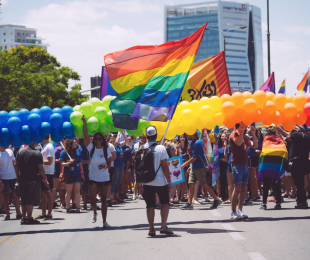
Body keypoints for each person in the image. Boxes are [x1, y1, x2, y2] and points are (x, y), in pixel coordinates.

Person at [141, 126, 173, 236]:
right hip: (160, 182)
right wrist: (169, 181)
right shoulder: (161, 148)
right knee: (165, 202)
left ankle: (151, 228)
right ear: (156, 135)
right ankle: (163, 226)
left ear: (146, 135)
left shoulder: (141, 148)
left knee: (149, 205)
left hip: (147, 181)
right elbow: (165, 167)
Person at [82, 115, 112, 227]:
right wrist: (84, 122)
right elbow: (85, 135)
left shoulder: (106, 149)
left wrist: (104, 167)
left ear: (102, 140)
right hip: (93, 177)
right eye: (96, 138)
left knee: (104, 200)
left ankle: (104, 221)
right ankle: (94, 212)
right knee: (93, 199)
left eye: (100, 139)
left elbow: (109, 163)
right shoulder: (91, 147)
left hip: (104, 177)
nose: (98, 140)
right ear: (94, 140)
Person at [180, 131, 222, 210]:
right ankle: (189, 203)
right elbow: (192, 156)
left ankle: (217, 199)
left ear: (193, 133)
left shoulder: (197, 143)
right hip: (194, 167)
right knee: (190, 183)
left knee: (203, 184)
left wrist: (185, 164)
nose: (186, 135)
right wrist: (191, 166)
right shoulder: (192, 143)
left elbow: (194, 157)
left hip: (199, 167)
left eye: (187, 133)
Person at [15, 142, 49, 224]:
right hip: (33, 179)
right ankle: (29, 218)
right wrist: (45, 180)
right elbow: (40, 168)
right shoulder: (37, 153)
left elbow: (15, 164)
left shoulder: (20, 151)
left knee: (24, 199)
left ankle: (23, 217)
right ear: (35, 143)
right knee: (30, 199)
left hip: (22, 178)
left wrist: (17, 176)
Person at [229, 123, 257, 220]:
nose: (245, 127)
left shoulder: (244, 137)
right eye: (243, 126)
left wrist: (253, 134)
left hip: (245, 165)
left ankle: (240, 210)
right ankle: (233, 212)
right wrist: (242, 131)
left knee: (244, 188)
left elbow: (255, 145)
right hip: (237, 165)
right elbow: (238, 143)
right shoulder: (234, 134)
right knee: (237, 188)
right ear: (238, 127)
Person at [258, 126, 288, 209]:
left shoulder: (266, 139)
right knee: (277, 183)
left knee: (266, 185)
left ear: (267, 133)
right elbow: (284, 150)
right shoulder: (279, 140)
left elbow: (265, 151)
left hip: (267, 165)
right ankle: (278, 203)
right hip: (277, 165)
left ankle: (264, 204)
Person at [286, 125, 310, 208]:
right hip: (304, 161)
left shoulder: (296, 134)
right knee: (301, 182)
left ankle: (301, 202)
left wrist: (292, 130)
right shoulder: (306, 136)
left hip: (296, 163)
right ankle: (302, 201)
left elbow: (288, 137)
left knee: (299, 183)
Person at [60, 139, 84, 213]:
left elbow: (80, 163)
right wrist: (68, 163)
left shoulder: (77, 152)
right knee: (69, 191)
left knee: (77, 191)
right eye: (74, 142)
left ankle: (77, 207)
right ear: (70, 143)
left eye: (76, 142)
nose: (76, 143)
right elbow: (62, 163)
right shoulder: (64, 152)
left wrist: (82, 173)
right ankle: (68, 208)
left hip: (77, 174)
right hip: (68, 174)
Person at [0, 145, 22, 220]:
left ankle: (18, 213)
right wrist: (0, 182)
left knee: (16, 195)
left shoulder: (10, 151)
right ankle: (7, 214)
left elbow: (14, 163)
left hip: (13, 177)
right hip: (4, 178)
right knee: (5, 196)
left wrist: (16, 175)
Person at [37, 135, 55, 219]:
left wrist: (38, 162)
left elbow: (50, 161)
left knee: (48, 193)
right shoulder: (44, 146)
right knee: (42, 194)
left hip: (48, 173)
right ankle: (43, 213)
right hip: (43, 172)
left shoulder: (49, 146)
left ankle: (49, 213)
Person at [110, 131, 128, 203]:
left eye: (115, 137)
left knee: (118, 181)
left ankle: (117, 197)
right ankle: (112, 197)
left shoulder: (119, 145)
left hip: (121, 165)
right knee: (114, 181)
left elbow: (126, 141)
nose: (114, 138)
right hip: (116, 165)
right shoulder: (112, 145)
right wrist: (118, 134)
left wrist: (123, 134)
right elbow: (116, 142)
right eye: (113, 137)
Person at [246, 127, 261, 202]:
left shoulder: (250, 137)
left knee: (252, 177)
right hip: (251, 157)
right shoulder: (248, 136)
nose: (248, 129)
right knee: (251, 177)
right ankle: (254, 194)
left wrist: (252, 133)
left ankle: (255, 194)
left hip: (251, 157)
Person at [77, 138, 90, 210]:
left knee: (89, 187)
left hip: (88, 170)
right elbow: (80, 162)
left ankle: (91, 204)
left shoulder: (87, 147)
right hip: (83, 171)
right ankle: (84, 204)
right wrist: (89, 161)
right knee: (84, 188)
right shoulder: (80, 149)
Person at [133, 134, 146, 200]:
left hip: (144, 164)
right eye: (141, 137)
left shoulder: (146, 145)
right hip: (137, 164)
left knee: (142, 180)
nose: (142, 139)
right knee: (136, 179)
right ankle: (134, 194)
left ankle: (140, 194)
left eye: (143, 138)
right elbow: (136, 153)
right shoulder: (136, 145)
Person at [217, 132, 229, 202]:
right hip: (220, 164)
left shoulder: (228, 145)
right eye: (222, 136)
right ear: (220, 138)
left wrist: (225, 147)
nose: (224, 137)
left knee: (228, 180)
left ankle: (227, 195)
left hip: (227, 164)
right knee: (222, 180)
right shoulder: (217, 146)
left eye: (225, 136)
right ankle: (222, 195)